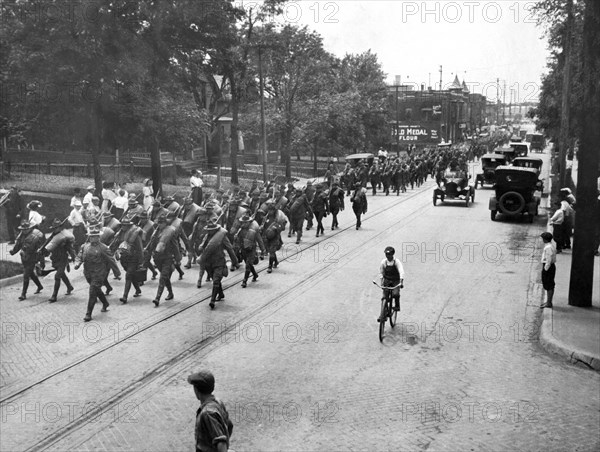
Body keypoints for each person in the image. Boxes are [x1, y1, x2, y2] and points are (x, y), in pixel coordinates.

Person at [74, 226, 121, 322]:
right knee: (97, 290)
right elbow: (79, 255)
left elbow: (111, 260)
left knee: (92, 292)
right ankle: (105, 303)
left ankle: (88, 313)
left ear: (98, 237)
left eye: (95, 236)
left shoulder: (103, 248)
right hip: (88, 273)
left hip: (99, 273)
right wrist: (77, 263)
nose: (92, 238)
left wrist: (117, 273)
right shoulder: (85, 246)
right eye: (91, 236)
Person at [187, 370, 233, 452]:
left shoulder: (207, 413)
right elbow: (229, 425)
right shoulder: (218, 402)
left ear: (196, 390)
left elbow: (221, 442)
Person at [197, 220, 239, 309]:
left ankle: (212, 300)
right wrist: (200, 248)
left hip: (219, 262)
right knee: (215, 279)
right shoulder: (206, 236)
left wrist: (235, 261)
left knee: (216, 280)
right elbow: (202, 245)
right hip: (209, 263)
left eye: (211, 230)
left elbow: (230, 249)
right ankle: (220, 294)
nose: (209, 231)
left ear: (215, 230)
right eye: (208, 230)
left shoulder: (222, 237)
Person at [41, 219, 76, 303]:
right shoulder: (53, 236)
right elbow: (47, 246)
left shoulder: (65, 237)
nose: (56, 229)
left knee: (57, 276)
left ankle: (54, 296)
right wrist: (42, 251)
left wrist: (74, 258)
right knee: (61, 274)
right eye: (55, 228)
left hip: (63, 258)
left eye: (57, 227)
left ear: (61, 227)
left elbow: (70, 249)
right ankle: (69, 286)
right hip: (55, 258)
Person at [10, 220, 45, 300]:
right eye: (23, 229)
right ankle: (39, 286)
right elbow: (18, 245)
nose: (24, 230)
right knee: (31, 273)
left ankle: (23, 294)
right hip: (24, 257)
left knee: (26, 275)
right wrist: (13, 251)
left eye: (26, 229)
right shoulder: (21, 235)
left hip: (32, 257)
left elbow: (41, 250)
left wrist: (41, 261)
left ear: (30, 228)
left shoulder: (36, 236)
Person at [235, 213, 266, 287]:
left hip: (251, 249)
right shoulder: (240, 230)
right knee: (248, 264)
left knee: (248, 265)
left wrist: (263, 249)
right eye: (243, 222)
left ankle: (244, 281)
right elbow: (238, 240)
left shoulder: (254, 230)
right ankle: (255, 274)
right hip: (243, 249)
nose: (244, 224)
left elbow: (259, 239)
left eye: (246, 222)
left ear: (249, 222)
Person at [378, 246, 405, 318]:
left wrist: (401, 282)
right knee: (384, 297)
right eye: (386, 254)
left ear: (392, 254)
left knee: (395, 294)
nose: (388, 256)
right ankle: (383, 314)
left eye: (389, 254)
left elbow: (401, 271)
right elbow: (381, 272)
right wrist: (381, 282)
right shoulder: (383, 262)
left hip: (395, 280)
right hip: (387, 280)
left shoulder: (396, 262)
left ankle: (397, 306)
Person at [540, 232, 556, 309]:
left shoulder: (548, 247)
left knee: (549, 284)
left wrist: (545, 269)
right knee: (548, 284)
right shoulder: (549, 246)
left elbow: (548, 259)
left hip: (548, 266)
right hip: (549, 266)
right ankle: (548, 301)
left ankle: (549, 302)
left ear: (545, 239)